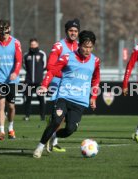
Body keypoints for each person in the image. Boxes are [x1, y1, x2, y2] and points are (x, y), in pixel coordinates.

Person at [33, 30, 100, 158]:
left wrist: (94, 97)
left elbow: (96, 79)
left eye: (90, 47)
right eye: (85, 47)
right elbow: (52, 71)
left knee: (70, 129)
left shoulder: (95, 61)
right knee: (56, 121)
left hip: (80, 101)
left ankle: (54, 135)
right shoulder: (68, 57)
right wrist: (44, 85)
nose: (88, 50)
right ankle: (39, 147)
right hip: (64, 96)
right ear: (79, 45)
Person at [45, 18, 80, 152]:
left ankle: (53, 140)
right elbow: (50, 66)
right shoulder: (59, 46)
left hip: (72, 86)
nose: (73, 33)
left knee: (66, 116)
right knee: (60, 115)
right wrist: (65, 75)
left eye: (76, 31)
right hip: (58, 83)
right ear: (66, 31)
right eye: (71, 30)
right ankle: (52, 141)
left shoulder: (79, 46)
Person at [23, 38, 47, 121]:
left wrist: (39, 76)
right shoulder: (26, 55)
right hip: (29, 82)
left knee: (41, 99)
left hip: (39, 82)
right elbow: (24, 66)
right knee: (28, 99)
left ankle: (42, 116)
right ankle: (27, 116)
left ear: (37, 45)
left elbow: (44, 66)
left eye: (34, 44)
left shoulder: (42, 54)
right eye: (31, 45)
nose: (33, 46)